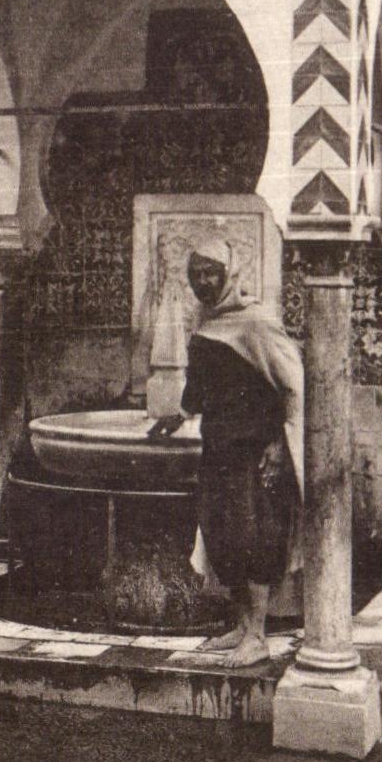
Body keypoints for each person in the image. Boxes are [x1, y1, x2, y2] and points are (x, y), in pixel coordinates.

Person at [150, 235, 304, 667]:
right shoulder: (204, 321)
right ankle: (241, 624)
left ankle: (257, 635)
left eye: (211, 272)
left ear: (228, 274)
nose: (203, 281)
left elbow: (293, 386)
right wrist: (178, 414)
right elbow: (201, 386)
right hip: (218, 446)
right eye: (196, 273)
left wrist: (278, 444)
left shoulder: (256, 323)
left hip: (253, 450)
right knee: (222, 537)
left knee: (253, 537)